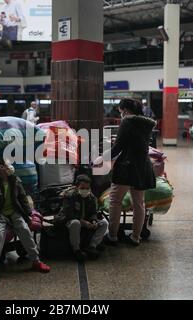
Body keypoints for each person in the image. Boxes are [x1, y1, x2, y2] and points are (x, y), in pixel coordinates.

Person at [94, 99, 156, 246]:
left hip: (126, 167)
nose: (121, 115)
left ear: (126, 111)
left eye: (121, 112)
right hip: (142, 166)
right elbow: (136, 142)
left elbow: (118, 148)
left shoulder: (127, 122)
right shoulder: (147, 123)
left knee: (115, 201)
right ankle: (135, 237)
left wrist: (101, 159)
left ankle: (113, 236)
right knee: (139, 203)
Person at [0, 158, 50, 282]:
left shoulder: (15, 180)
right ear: (0, 168)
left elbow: (23, 198)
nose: (9, 167)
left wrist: (29, 214)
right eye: (6, 165)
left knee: (24, 230)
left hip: (15, 213)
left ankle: (36, 261)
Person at [53, 175, 108, 262]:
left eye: (87, 188)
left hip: (85, 221)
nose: (85, 190)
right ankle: (76, 250)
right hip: (67, 221)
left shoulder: (91, 197)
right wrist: (83, 222)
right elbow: (68, 214)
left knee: (104, 223)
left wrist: (93, 220)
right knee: (75, 223)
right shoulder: (69, 196)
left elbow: (93, 212)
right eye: (82, 188)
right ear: (76, 187)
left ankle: (92, 246)